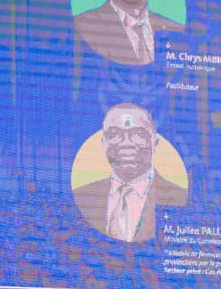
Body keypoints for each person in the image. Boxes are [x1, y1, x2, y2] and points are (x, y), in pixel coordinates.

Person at [73, 103, 188, 242]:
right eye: (114, 134)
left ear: (154, 141)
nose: (126, 143)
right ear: (103, 142)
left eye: (138, 134)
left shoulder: (180, 198)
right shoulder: (82, 196)